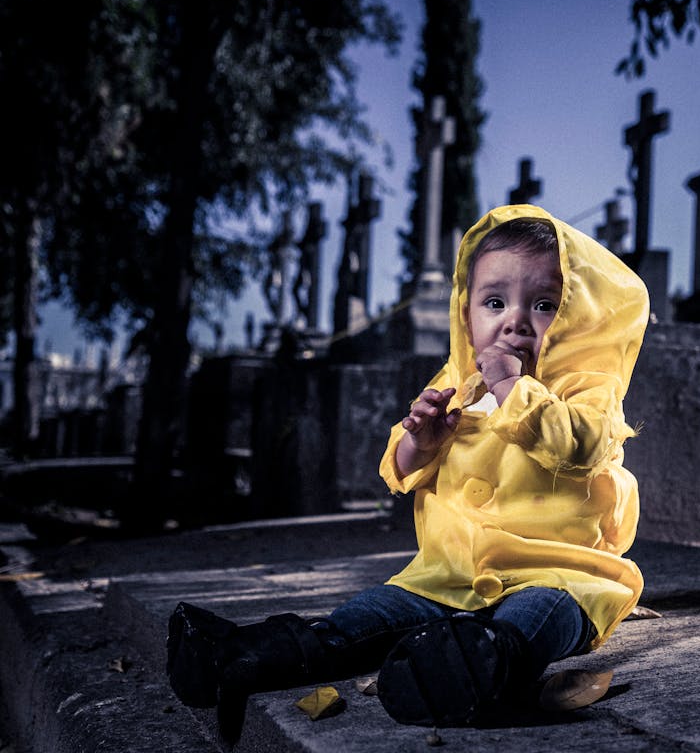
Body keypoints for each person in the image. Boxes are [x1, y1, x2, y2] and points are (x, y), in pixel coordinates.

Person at [166, 204, 650, 743]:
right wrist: (420, 442)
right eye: (494, 302)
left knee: (536, 622)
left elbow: (578, 446)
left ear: (580, 320)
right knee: (362, 618)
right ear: (467, 313)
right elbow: (399, 470)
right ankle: (245, 656)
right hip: (442, 578)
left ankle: (481, 666)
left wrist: (516, 390)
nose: (513, 321)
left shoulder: (589, 390)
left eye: (543, 305)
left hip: (560, 574)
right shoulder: (460, 384)